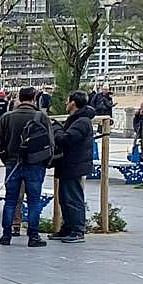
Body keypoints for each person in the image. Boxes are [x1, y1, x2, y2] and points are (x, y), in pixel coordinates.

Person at [0, 87, 54, 247]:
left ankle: (6, 235)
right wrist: (46, 162)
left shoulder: (7, 117)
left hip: (13, 162)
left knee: (10, 200)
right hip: (35, 163)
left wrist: (7, 159)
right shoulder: (41, 116)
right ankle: (33, 236)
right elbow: (50, 142)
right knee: (34, 201)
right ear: (34, 98)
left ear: (19, 98)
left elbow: (0, 143)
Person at [51, 91, 95, 244]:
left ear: (73, 103)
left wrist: (56, 129)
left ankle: (77, 230)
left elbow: (67, 139)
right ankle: (68, 228)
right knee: (64, 198)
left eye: (67, 101)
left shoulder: (81, 121)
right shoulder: (77, 119)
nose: (65, 103)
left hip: (74, 164)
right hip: (69, 164)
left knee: (73, 198)